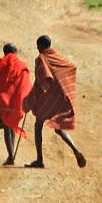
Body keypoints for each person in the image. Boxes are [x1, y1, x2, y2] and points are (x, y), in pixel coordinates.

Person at [23, 35, 86, 169]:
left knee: (38, 125)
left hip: (48, 98)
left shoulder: (41, 58)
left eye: (37, 45)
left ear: (40, 46)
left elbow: (43, 79)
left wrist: (32, 96)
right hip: (60, 97)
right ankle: (76, 150)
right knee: (59, 128)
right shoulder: (57, 56)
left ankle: (39, 160)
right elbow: (70, 67)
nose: (37, 48)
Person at [0, 43, 32, 165]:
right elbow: (26, 83)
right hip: (16, 102)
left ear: (4, 52)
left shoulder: (0, 63)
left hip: (3, 101)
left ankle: (11, 155)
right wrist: (28, 101)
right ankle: (11, 155)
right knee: (11, 125)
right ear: (16, 52)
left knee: (7, 127)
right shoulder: (22, 65)